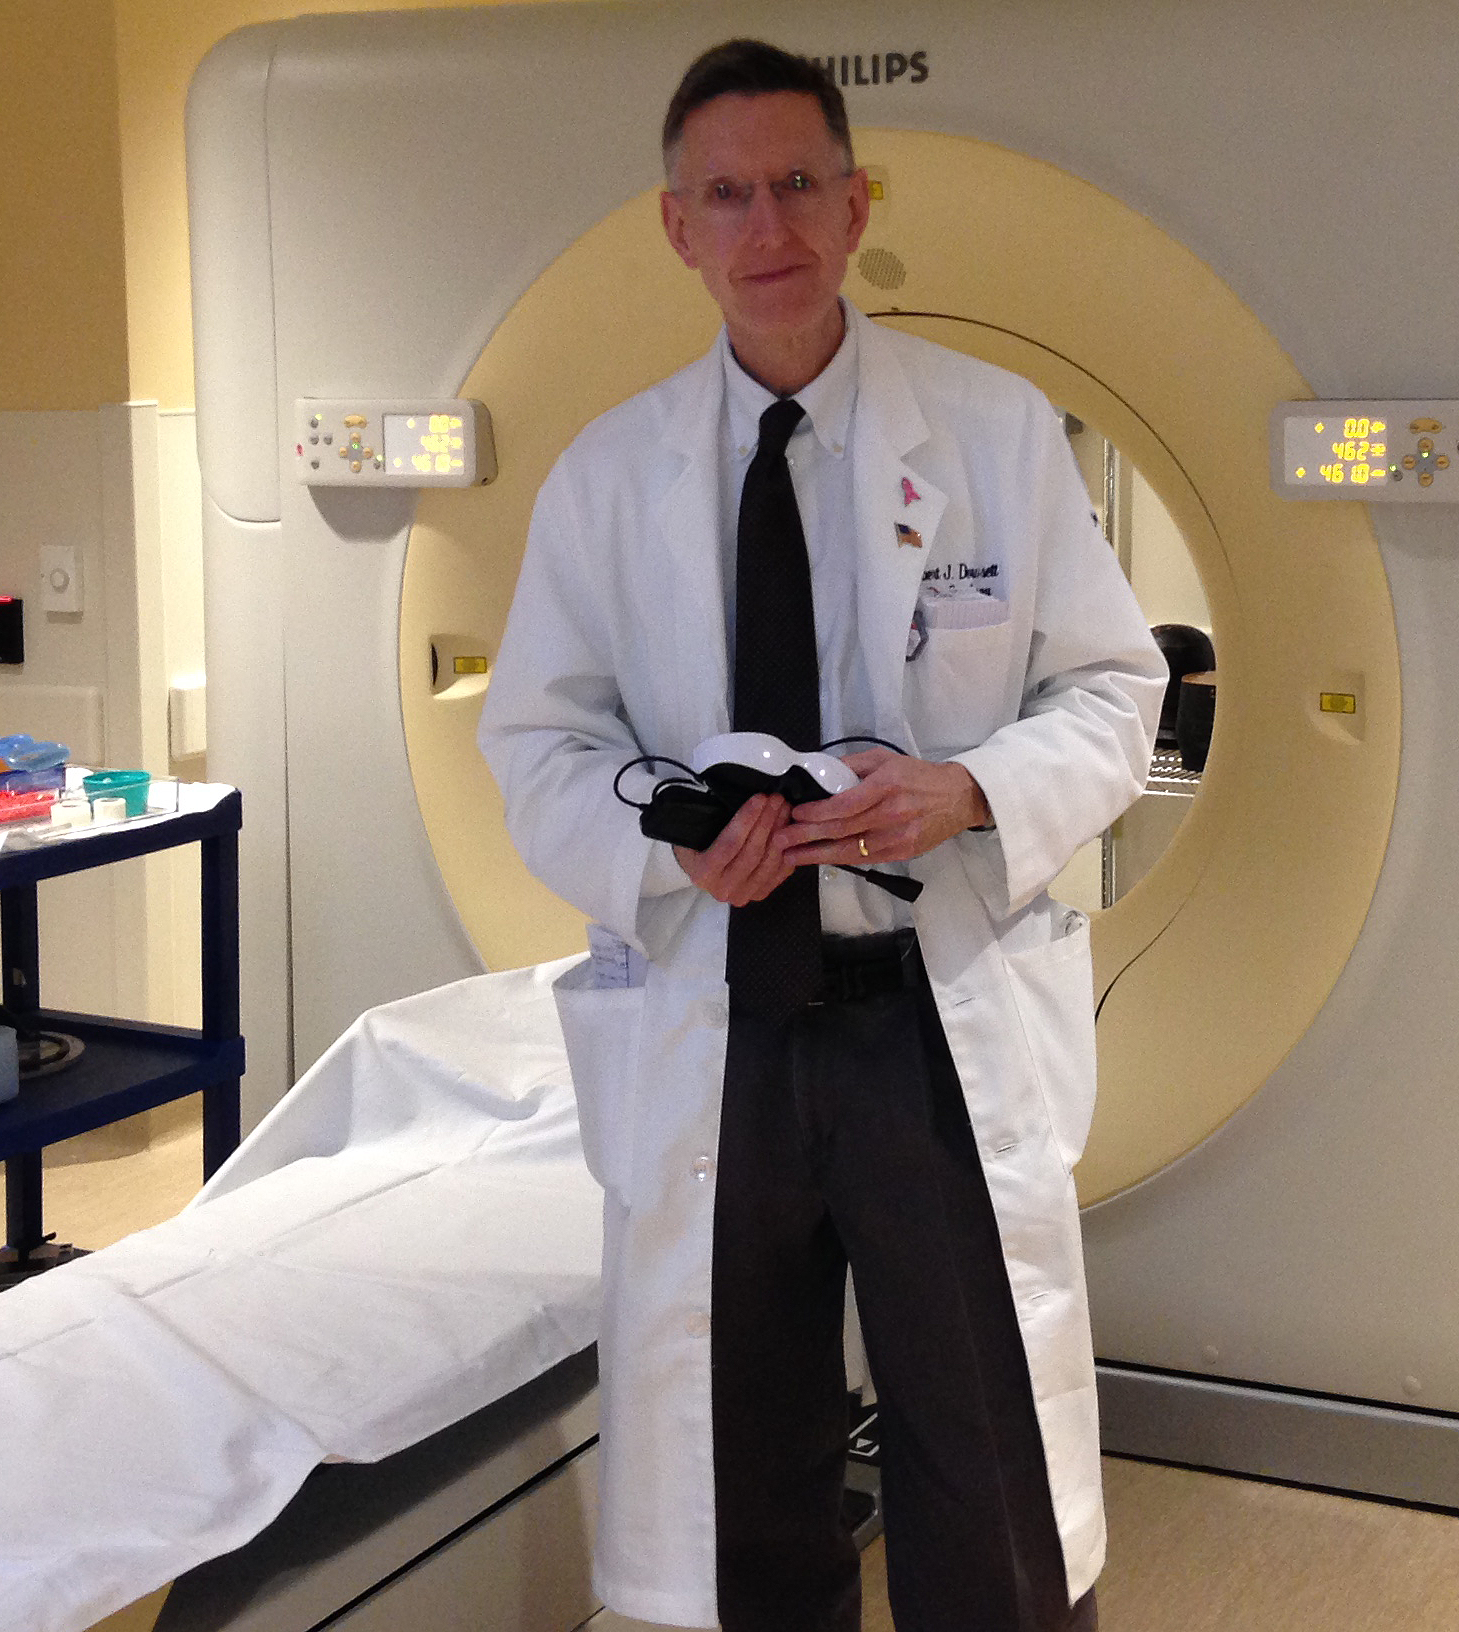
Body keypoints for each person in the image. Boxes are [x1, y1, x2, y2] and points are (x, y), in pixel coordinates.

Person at [478, 38, 1164, 1632]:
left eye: (797, 185)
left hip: (927, 1010)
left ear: (858, 204)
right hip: (724, 1021)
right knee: (744, 1448)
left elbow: (1117, 692)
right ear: (677, 227)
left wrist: (967, 789)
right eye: (726, 194)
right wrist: (671, 847)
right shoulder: (606, 476)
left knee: (975, 1435)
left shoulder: (996, 437)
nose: (765, 224)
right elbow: (538, 745)